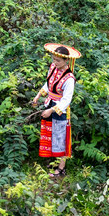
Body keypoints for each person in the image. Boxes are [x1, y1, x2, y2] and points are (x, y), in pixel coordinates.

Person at [31, 43, 80, 178]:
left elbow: (66, 100)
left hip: (60, 110)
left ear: (66, 60)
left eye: (58, 60)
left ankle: (61, 168)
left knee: (60, 137)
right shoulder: (53, 68)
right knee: (50, 133)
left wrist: (51, 110)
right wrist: (38, 95)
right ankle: (53, 161)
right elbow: (49, 84)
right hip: (49, 104)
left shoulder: (69, 79)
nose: (55, 62)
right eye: (53, 59)